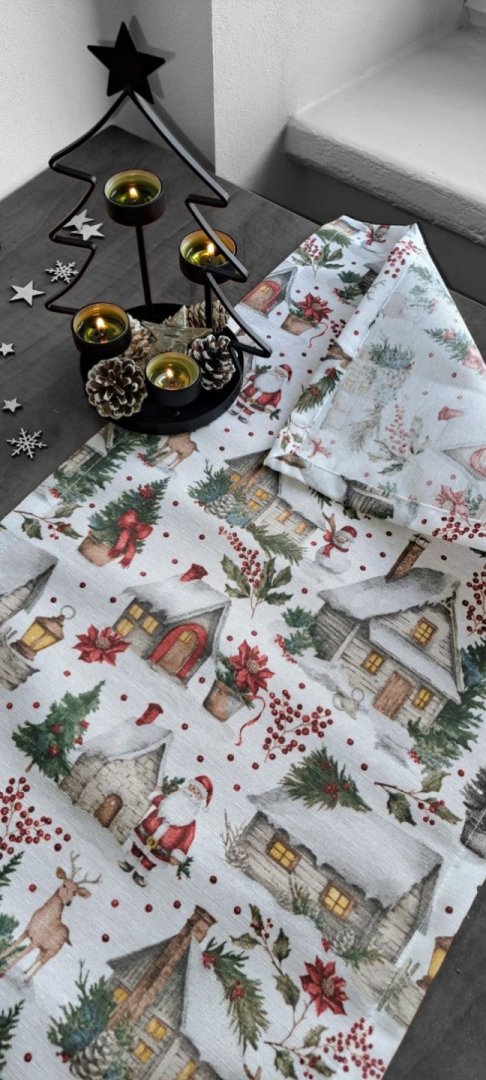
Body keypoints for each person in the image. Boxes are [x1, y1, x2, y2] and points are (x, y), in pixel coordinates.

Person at [118, 774, 213, 887]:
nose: (191, 793)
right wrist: (155, 795)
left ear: (200, 799)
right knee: (137, 847)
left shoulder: (190, 822)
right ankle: (129, 862)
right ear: (188, 786)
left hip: (163, 846)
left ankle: (140, 874)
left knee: (151, 860)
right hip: (148, 830)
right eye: (192, 788)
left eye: (197, 793)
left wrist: (178, 855)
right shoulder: (172, 798)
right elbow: (159, 800)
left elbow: (187, 839)